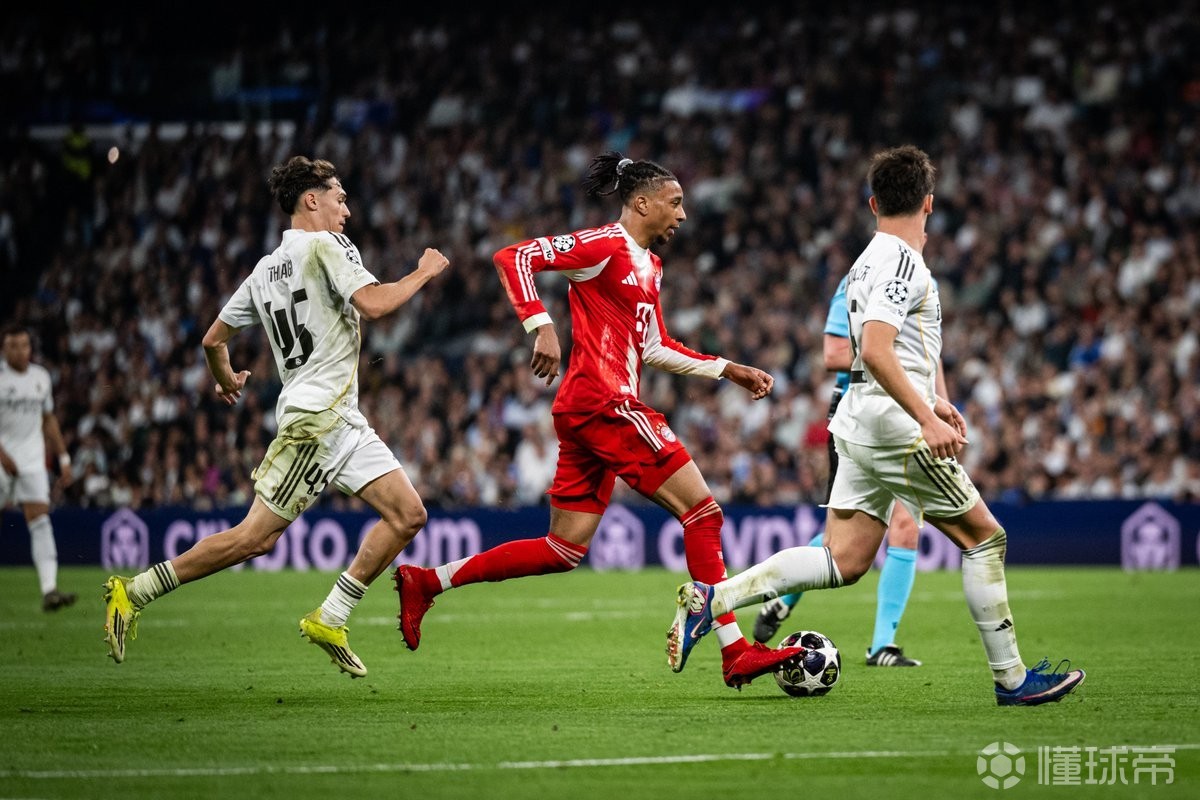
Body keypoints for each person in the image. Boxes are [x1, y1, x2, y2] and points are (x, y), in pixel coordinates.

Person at [668, 145, 1086, 706]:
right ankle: (1012, 680)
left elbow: (882, 352)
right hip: (894, 427)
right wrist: (925, 416)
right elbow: (876, 349)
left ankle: (713, 599)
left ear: (873, 203)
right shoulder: (902, 263)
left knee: (842, 559)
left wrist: (934, 400)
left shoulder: (863, 262)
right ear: (929, 203)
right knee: (986, 539)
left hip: (859, 418)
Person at [394, 151, 805, 689]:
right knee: (703, 514)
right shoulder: (604, 245)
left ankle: (427, 581)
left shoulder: (651, 267)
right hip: (605, 402)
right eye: (675, 202)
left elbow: (654, 346)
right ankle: (735, 651)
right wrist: (541, 326)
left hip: (586, 410)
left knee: (562, 549)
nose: (683, 215)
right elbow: (513, 256)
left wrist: (728, 369)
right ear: (642, 203)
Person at [102, 156, 449, 678]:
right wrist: (424, 271)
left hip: (340, 418)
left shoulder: (265, 269)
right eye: (340, 199)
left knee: (408, 514)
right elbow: (375, 305)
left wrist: (225, 379)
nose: (346, 211)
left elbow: (213, 340)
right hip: (317, 420)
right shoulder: (327, 246)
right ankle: (135, 591)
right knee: (255, 538)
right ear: (311, 199)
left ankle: (331, 616)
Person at [753, 275, 923, 668]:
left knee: (906, 525)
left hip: (903, 414)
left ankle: (882, 646)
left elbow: (929, 359)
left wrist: (937, 407)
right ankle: (778, 594)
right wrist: (889, 358)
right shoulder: (858, 280)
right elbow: (833, 354)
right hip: (856, 416)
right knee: (841, 543)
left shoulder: (915, 280)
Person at [0, 326, 77, 612]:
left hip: (31, 460)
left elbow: (48, 419)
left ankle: (49, 589)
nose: (20, 351)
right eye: (13, 345)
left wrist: (63, 457)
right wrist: (2, 455)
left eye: (24, 345)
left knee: (41, 521)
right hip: (1, 458)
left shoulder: (40, 377)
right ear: (4, 349)